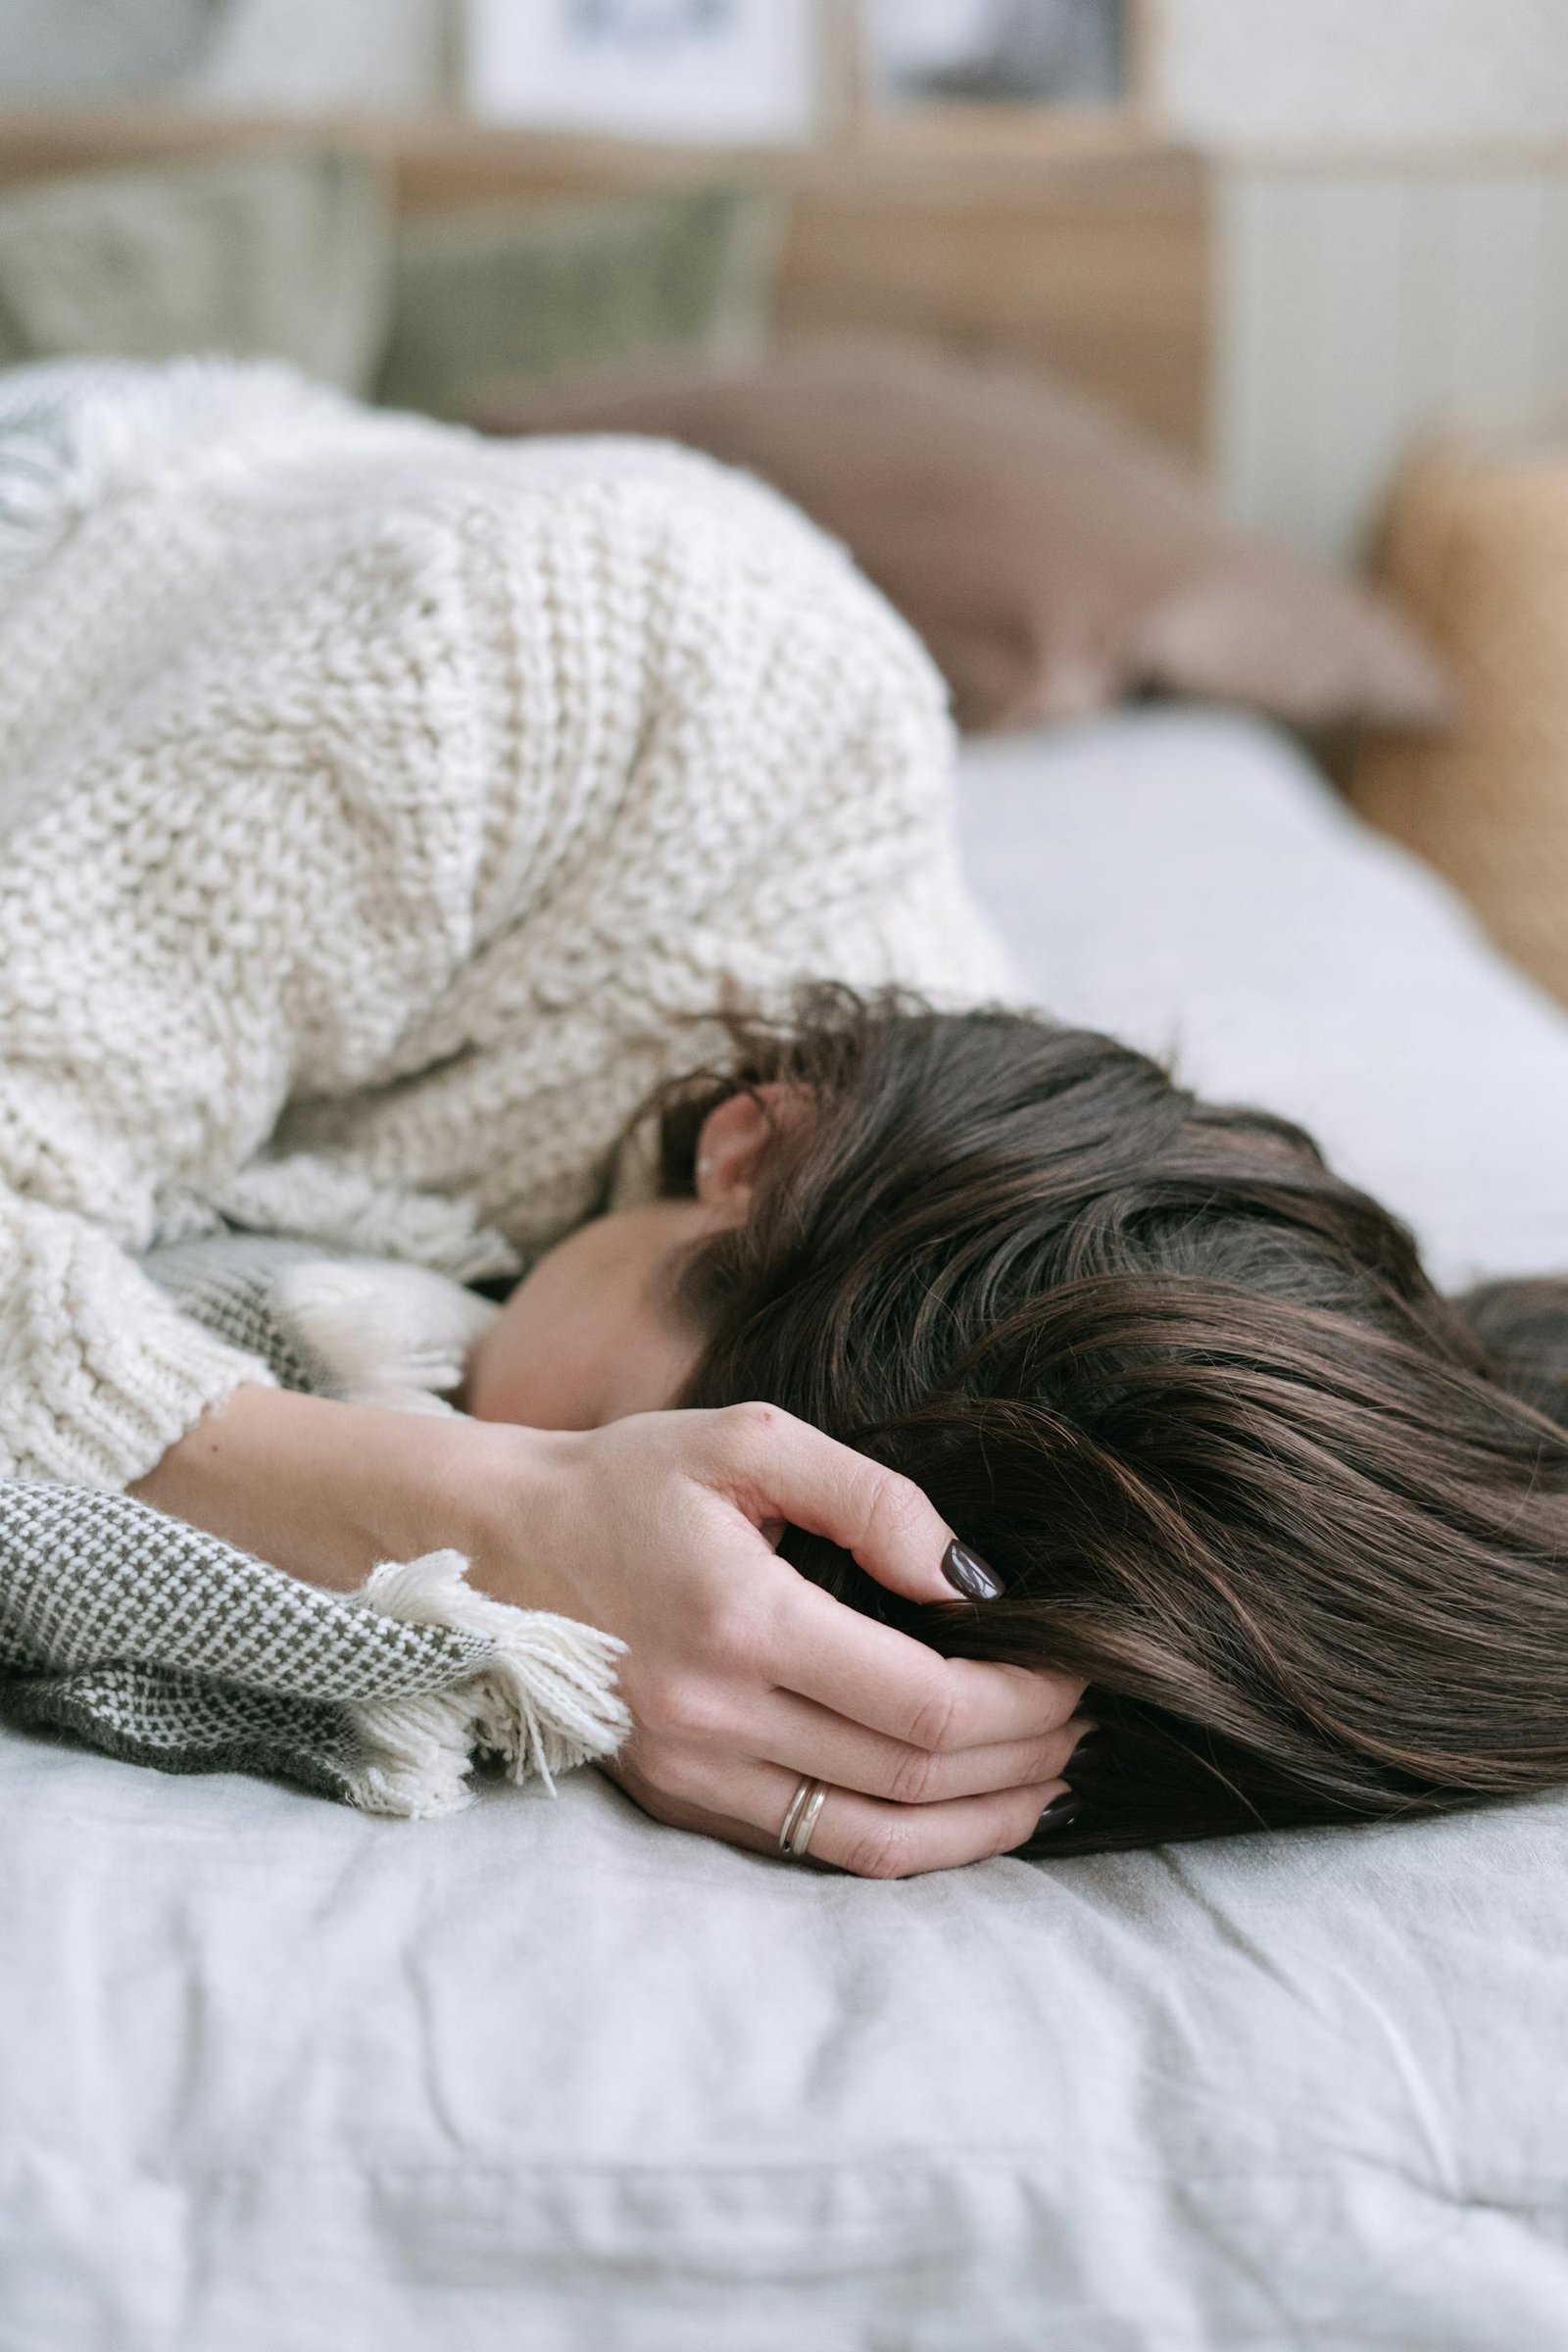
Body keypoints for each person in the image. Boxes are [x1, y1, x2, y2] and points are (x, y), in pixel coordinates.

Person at [4, 362, 1565, 1873]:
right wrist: (520, 1518)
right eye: (680, 1468)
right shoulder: (550, 662)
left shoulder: (987, 1248)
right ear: (755, 1148)